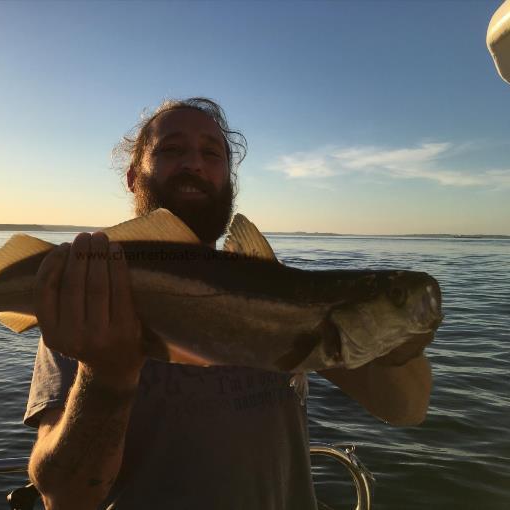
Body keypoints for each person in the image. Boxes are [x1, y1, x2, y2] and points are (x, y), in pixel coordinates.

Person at [24, 98, 433, 510]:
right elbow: (65, 498)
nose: (195, 164)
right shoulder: (85, 301)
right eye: (171, 150)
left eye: (212, 153)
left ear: (230, 179)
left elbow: (406, 407)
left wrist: (399, 329)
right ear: (133, 178)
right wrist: (105, 376)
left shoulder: (288, 296)